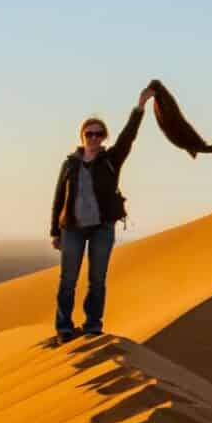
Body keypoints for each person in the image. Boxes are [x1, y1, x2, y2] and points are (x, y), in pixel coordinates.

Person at [49, 84, 154, 342]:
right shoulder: (70, 164)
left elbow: (129, 136)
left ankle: (92, 325)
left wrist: (140, 106)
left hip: (101, 228)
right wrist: (55, 231)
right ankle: (64, 328)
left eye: (99, 134)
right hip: (72, 227)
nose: (94, 138)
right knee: (68, 280)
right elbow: (58, 198)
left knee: (97, 280)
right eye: (90, 134)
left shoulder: (111, 160)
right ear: (82, 136)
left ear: (104, 137)